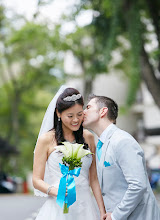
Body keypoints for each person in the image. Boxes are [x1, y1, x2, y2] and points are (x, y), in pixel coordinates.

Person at [32, 86, 106, 220]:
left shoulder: (88, 137)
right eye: (70, 116)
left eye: (79, 114)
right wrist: (55, 191)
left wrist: (102, 211)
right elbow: (36, 180)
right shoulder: (46, 140)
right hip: (57, 207)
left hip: (85, 208)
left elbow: (93, 179)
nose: (76, 120)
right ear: (58, 113)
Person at [83, 94, 160, 220]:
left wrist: (115, 215)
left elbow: (138, 185)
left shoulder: (122, 141)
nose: (83, 112)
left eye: (88, 107)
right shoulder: (101, 145)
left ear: (103, 111)